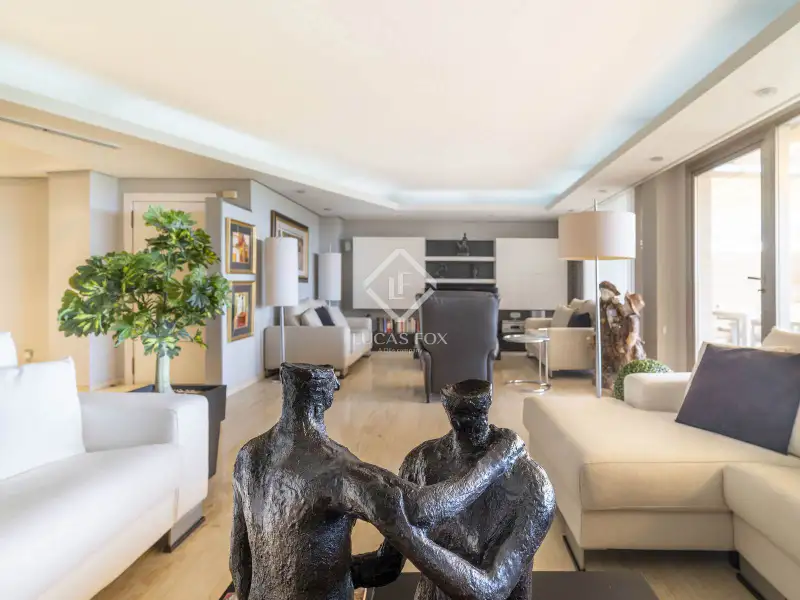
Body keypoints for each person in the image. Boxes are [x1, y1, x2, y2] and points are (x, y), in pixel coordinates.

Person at [230, 364, 525, 600]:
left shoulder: (249, 454)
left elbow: (239, 559)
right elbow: (423, 509)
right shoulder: (338, 469)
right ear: (329, 392)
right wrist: (495, 461)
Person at [351, 379, 556, 599]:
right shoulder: (420, 461)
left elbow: (492, 590)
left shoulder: (532, 483)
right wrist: (333, 569)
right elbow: (387, 564)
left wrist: (406, 535)